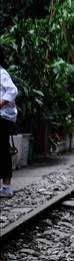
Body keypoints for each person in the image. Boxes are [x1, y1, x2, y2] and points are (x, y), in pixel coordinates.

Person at [0, 64, 19, 198]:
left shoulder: (1, 73)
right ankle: (5, 186)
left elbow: (12, 90)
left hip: (4, 116)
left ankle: (6, 187)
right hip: (4, 116)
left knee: (2, 149)